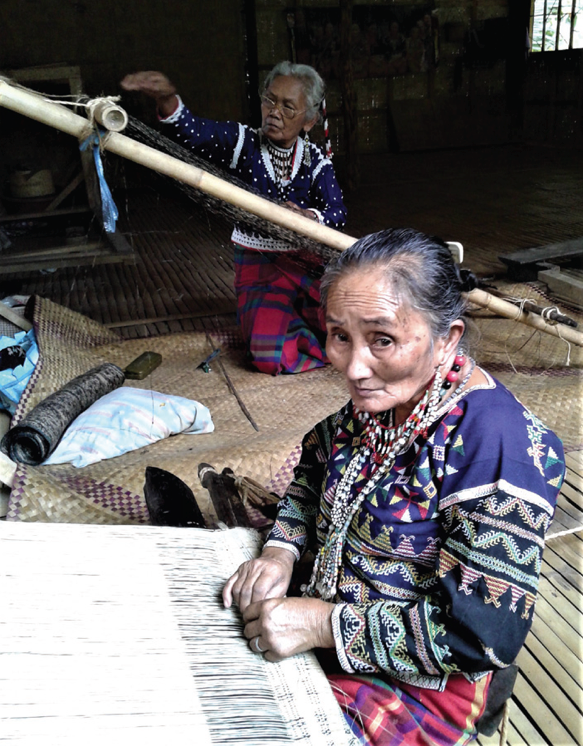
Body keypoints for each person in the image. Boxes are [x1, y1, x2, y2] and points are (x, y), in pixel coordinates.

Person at [222, 227, 565, 745]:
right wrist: (280, 553)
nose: (354, 367)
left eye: (382, 339)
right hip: (326, 615)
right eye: (339, 336)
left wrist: (320, 625)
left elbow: (481, 635)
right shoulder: (383, 406)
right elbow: (314, 474)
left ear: (447, 339)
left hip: (422, 687)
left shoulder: (497, 451)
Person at [121, 62, 347, 375]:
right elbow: (194, 133)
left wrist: (308, 216)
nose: (274, 111)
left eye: (287, 106)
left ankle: (294, 322)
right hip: (260, 267)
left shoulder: (315, 161)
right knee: (269, 357)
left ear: (308, 120)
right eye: (269, 100)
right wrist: (167, 99)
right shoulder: (242, 143)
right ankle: (283, 324)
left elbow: (336, 211)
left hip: (308, 264)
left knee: (349, 330)